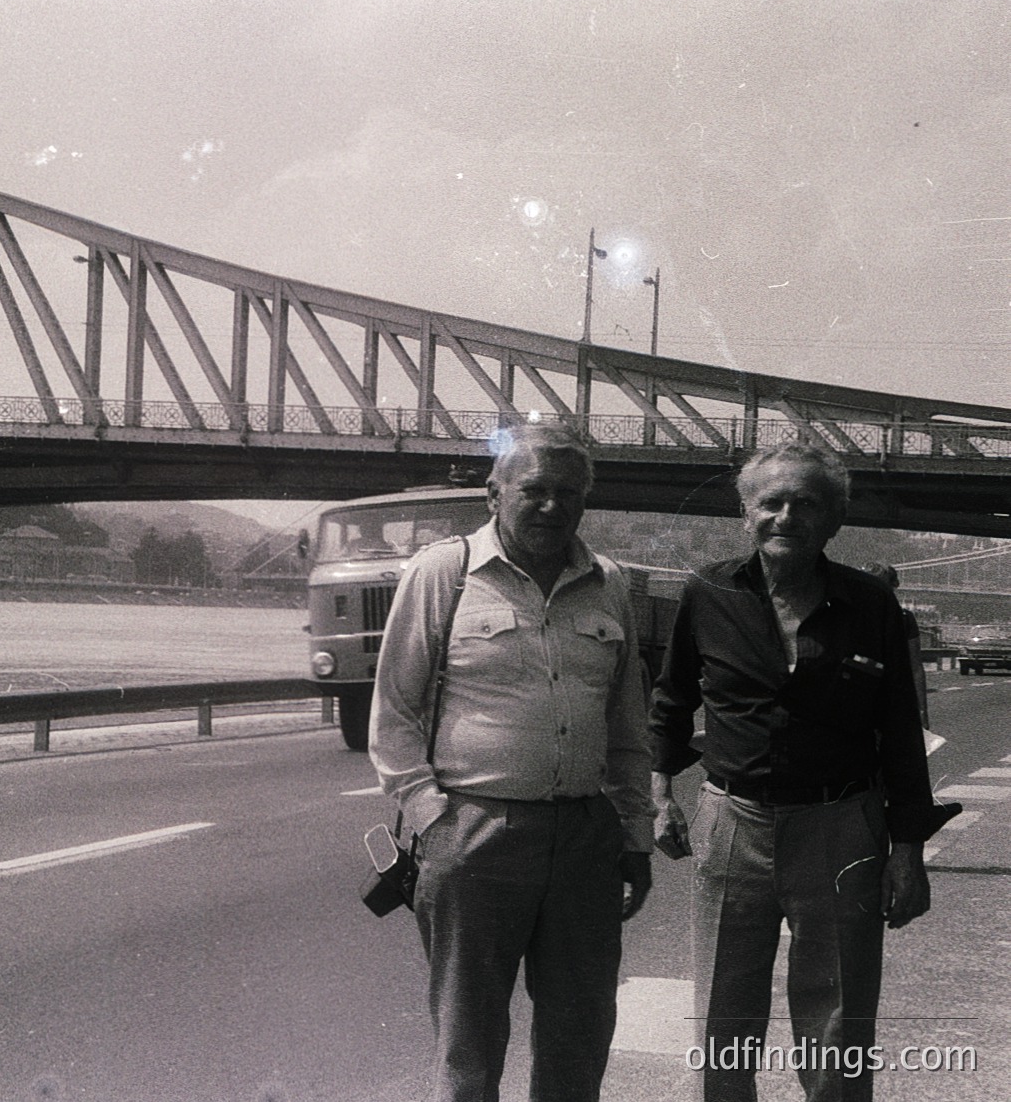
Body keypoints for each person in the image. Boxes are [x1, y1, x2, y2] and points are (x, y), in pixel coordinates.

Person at [650, 442, 960, 1102]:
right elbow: (671, 699)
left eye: (807, 504)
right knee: (724, 1016)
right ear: (747, 514)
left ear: (833, 521)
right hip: (732, 823)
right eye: (772, 503)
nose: (787, 516)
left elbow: (901, 733)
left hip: (842, 828)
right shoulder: (707, 593)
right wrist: (660, 795)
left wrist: (908, 852)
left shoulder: (871, 603)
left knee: (839, 1022)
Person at [369, 423, 655, 1102]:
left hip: (585, 839)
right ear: (494, 493)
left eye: (569, 492)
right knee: (468, 1050)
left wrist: (634, 837)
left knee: (579, 1045)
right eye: (535, 490)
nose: (552, 506)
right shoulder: (444, 573)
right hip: (474, 836)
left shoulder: (609, 584)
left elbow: (626, 727)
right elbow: (395, 714)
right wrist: (433, 818)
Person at [864, 562, 930, 733]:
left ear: (893, 586)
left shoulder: (904, 619)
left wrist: (922, 712)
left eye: (880, 585)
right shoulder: (846, 616)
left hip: (892, 702)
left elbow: (915, 667)